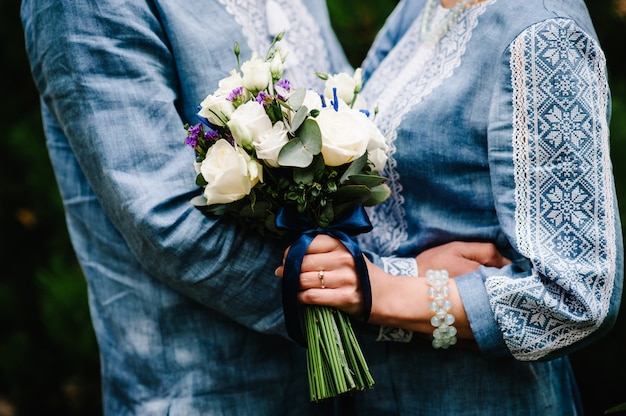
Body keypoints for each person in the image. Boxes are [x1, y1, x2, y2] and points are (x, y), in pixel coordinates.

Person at [287, 0, 624, 414]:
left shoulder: (541, 33)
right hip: (379, 388)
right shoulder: (419, 9)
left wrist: (382, 289)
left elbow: (578, 298)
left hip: (479, 396)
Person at [20, 1, 355, 414]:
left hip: (343, 388)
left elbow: (350, 120)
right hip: (207, 391)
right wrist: (380, 292)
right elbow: (169, 223)